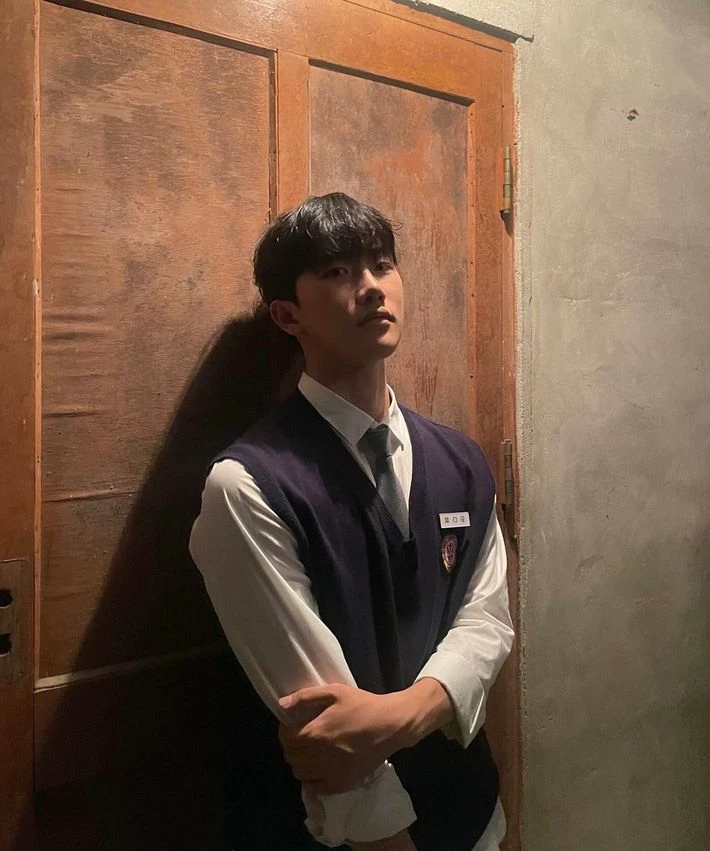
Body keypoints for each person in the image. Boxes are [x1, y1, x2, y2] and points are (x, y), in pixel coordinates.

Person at [189, 193, 514, 850]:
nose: (371, 287)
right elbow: (323, 723)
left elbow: (487, 622)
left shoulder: (460, 461)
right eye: (338, 272)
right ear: (287, 314)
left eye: (381, 264)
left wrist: (399, 714)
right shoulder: (248, 484)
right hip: (354, 834)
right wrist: (385, 836)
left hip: (475, 809)